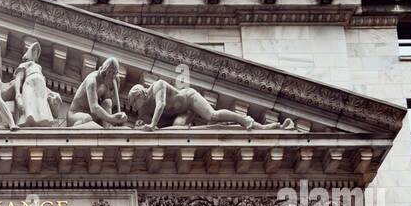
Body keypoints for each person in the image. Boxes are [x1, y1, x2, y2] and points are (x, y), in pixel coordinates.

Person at [127, 77, 296, 130]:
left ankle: (248, 122)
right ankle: (236, 126)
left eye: (135, 104)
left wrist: (152, 124)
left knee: (212, 116)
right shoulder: (144, 110)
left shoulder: (158, 85)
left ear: (139, 95)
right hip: (182, 114)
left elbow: (161, 105)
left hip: (189, 99)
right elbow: (146, 126)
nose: (135, 108)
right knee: (177, 129)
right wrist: (143, 125)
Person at [68, 57, 127, 128]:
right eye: (112, 78)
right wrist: (112, 119)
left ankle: (108, 131)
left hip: (93, 116)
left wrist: (119, 117)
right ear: (107, 73)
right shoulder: (92, 81)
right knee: (87, 118)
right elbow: (94, 107)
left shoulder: (107, 82)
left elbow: (111, 104)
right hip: (75, 115)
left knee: (108, 102)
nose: (112, 80)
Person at [13, 40, 55, 127]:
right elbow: (18, 78)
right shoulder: (25, 65)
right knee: (29, 101)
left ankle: (42, 119)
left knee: (41, 103)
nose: (35, 52)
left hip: (40, 87)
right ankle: (28, 120)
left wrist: (51, 93)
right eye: (34, 50)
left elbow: (43, 84)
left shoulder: (39, 67)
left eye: (37, 51)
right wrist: (17, 94)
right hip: (29, 84)